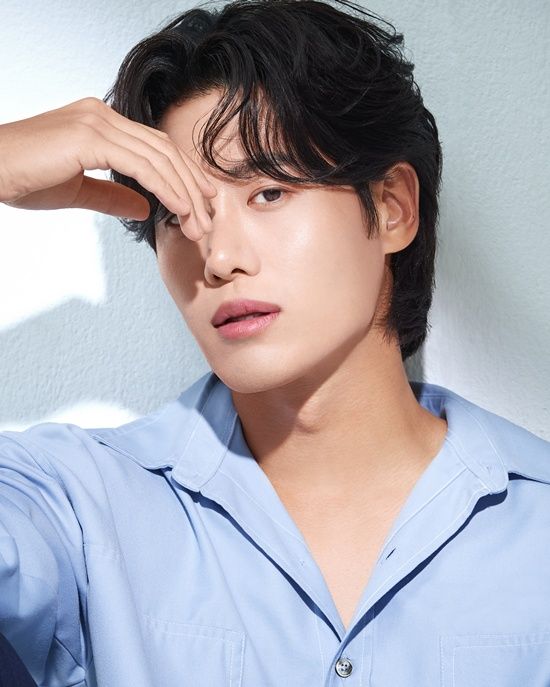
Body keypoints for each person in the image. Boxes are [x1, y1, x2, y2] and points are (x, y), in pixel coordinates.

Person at [0, 0, 549, 685]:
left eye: (267, 193)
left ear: (392, 207)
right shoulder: (76, 508)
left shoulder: (538, 524)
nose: (219, 257)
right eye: (178, 211)